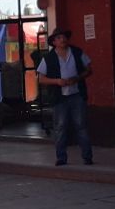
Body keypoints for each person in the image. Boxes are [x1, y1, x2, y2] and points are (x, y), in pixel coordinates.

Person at [36, 28, 93, 166]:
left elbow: (89, 69)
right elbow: (41, 79)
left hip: (77, 94)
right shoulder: (48, 58)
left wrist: (77, 78)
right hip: (59, 97)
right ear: (54, 42)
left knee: (81, 125)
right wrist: (57, 81)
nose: (63, 40)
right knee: (60, 127)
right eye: (59, 38)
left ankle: (87, 156)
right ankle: (61, 157)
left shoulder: (77, 52)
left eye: (64, 37)